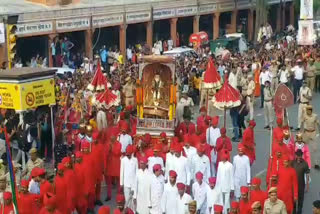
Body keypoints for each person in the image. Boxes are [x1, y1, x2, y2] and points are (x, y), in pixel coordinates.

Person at [291, 149, 310, 214]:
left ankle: (299, 211)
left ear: (302, 155)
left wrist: (307, 185)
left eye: (300, 155)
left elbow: (307, 174)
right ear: (296, 155)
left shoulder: (305, 163)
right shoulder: (292, 162)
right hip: (293, 185)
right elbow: (289, 173)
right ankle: (293, 211)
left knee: (300, 200)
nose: (299, 157)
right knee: (293, 200)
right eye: (297, 155)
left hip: (301, 185)